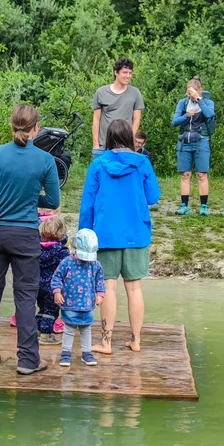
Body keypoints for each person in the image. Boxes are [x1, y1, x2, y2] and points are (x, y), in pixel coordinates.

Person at [0, 104, 61, 375]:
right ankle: (27, 359)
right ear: (36, 128)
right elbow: (53, 202)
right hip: (25, 235)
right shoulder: (46, 160)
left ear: (11, 125)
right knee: (25, 297)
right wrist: (33, 197)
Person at [78, 119, 161, 355]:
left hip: (105, 234)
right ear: (128, 138)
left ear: (108, 139)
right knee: (134, 288)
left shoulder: (98, 164)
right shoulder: (142, 162)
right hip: (137, 233)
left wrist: (84, 235)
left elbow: (88, 205)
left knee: (108, 288)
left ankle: (106, 342)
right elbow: (154, 196)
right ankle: (135, 341)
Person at [51, 228, 106, 368]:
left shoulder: (95, 265)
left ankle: (86, 353)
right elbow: (56, 277)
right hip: (69, 303)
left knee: (86, 329)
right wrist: (57, 292)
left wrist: (100, 294)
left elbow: (100, 281)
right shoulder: (67, 262)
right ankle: (66, 353)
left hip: (88, 304)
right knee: (69, 329)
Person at [172, 76, 216, 215]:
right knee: (185, 174)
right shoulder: (182, 103)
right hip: (185, 141)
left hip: (201, 140)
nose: (192, 94)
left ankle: (204, 206)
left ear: (200, 90)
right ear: (187, 91)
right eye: (190, 92)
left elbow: (210, 115)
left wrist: (199, 100)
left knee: (201, 174)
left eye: (195, 91)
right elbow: (174, 122)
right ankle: (184, 206)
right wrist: (186, 116)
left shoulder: (208, 102)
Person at [91, 58, 144, 157]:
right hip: (104, 146)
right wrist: (96, 144)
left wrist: (129, 141)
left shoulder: (135, 93)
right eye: (125, 72)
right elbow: (96, 119)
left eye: (130, 73)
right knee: (102, 172)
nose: (128, 76)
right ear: (116, 72)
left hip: (125, 146)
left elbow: (137, 120)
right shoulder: (101, 92)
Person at [37, 214, 70, 347]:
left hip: (37, 284)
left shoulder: (36, 248)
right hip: (54, 288)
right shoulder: (62, 251)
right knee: (51, 311)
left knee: (41, 308)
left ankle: (36, 329)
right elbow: (67, 270)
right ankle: (46, 334)